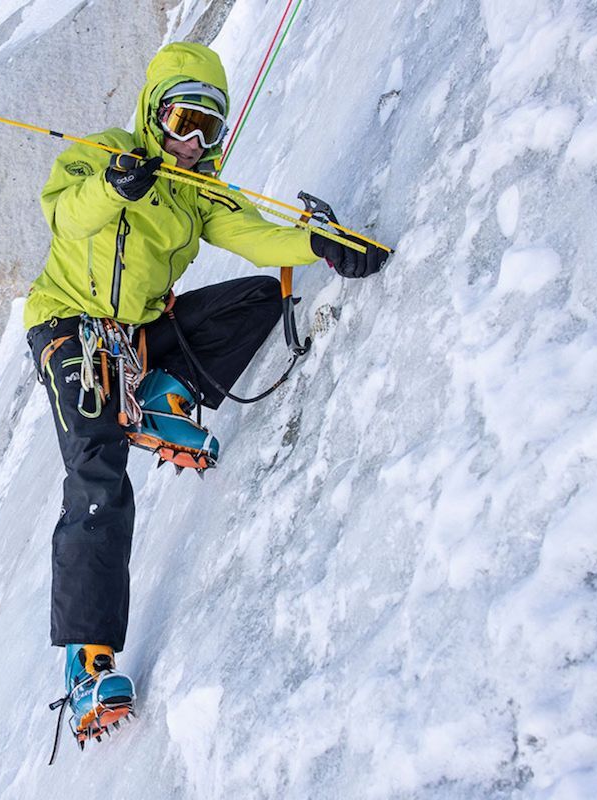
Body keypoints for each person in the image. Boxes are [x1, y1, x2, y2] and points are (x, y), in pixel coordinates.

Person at [25, 42, 387, 748]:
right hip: (70, 329)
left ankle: (161, 394)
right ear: (154, 114)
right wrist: (114, 184)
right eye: (182, 120)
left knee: (255, 298)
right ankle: (87, 666)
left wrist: (319, 245)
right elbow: (64, 216)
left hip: (137, 336)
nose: (190, 142)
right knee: (98, 469)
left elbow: (253, 234)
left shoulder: (199, 193)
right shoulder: (103, 154)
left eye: (208, 129)